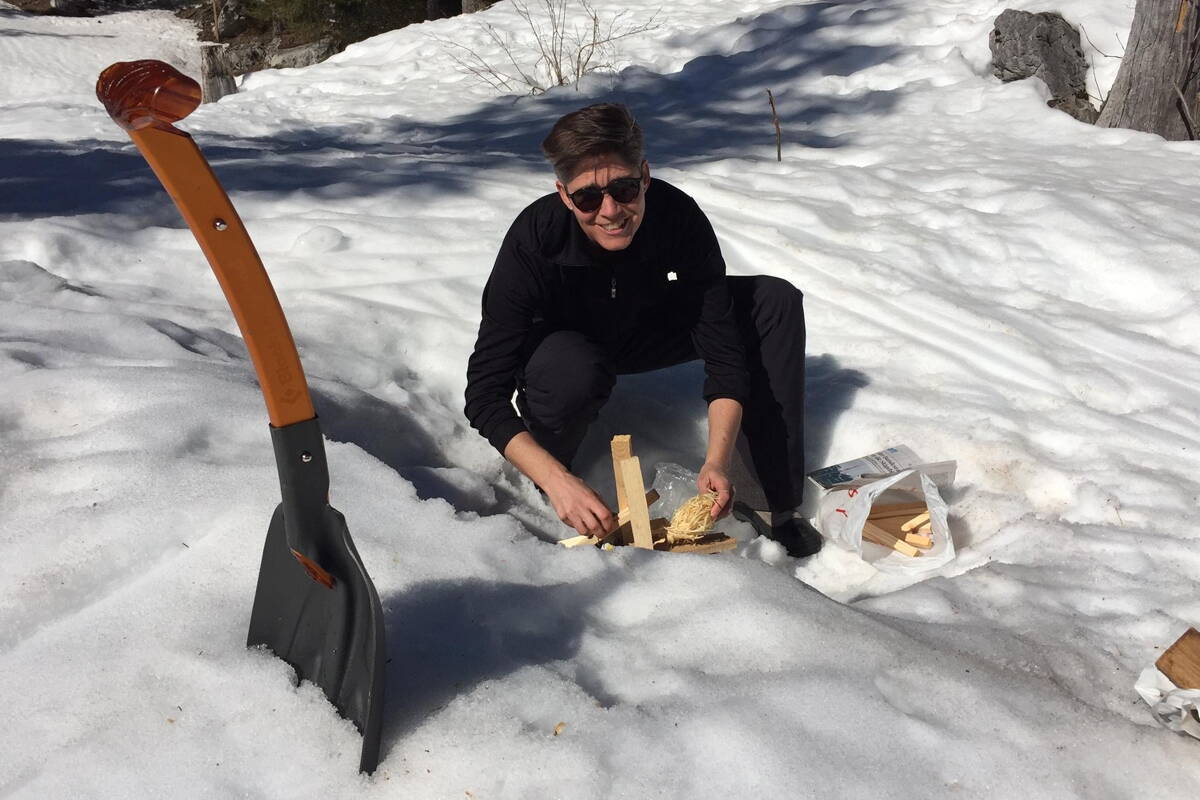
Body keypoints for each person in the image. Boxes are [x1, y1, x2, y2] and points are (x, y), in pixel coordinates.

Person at [464, 103, 819, 557]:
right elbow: (484, 394)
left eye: (625, 189)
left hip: (644, 325)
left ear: (645, 176)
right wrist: (556, 480)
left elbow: (724, 351)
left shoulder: (678, 217)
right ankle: (554, 472)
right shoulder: (534, 240)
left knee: (773, 301)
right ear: (564, 195)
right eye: (588, 198)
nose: (610, 211)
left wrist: (716, 460)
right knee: (571, 368)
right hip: (566, 352)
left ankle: (767, 503)